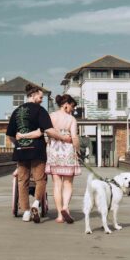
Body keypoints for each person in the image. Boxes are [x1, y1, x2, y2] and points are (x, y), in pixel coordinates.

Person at [7, 84, 70, 223]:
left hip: (21, 152)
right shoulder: (40, 110)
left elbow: (11, 135)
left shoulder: (16, 111)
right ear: (33, 95)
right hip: (37, 150)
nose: (42, 100)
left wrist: (18, 143)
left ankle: (26, 212)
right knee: (40, 179)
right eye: (40, 97)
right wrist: (64, 138)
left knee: (22, 181)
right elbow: (49, 130)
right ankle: (36, 203)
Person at [44, 94, 81, 224]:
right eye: (72, 106)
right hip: (68, 152)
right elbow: (74, 137)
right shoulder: (71, 119)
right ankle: (66, 207)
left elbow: (47, 132)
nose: (72, 110)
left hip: (54, 150)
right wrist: (78, 150)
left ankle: (60, 215)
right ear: (66, 104)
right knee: (68, 183)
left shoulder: (51, 116)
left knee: (57, 184)